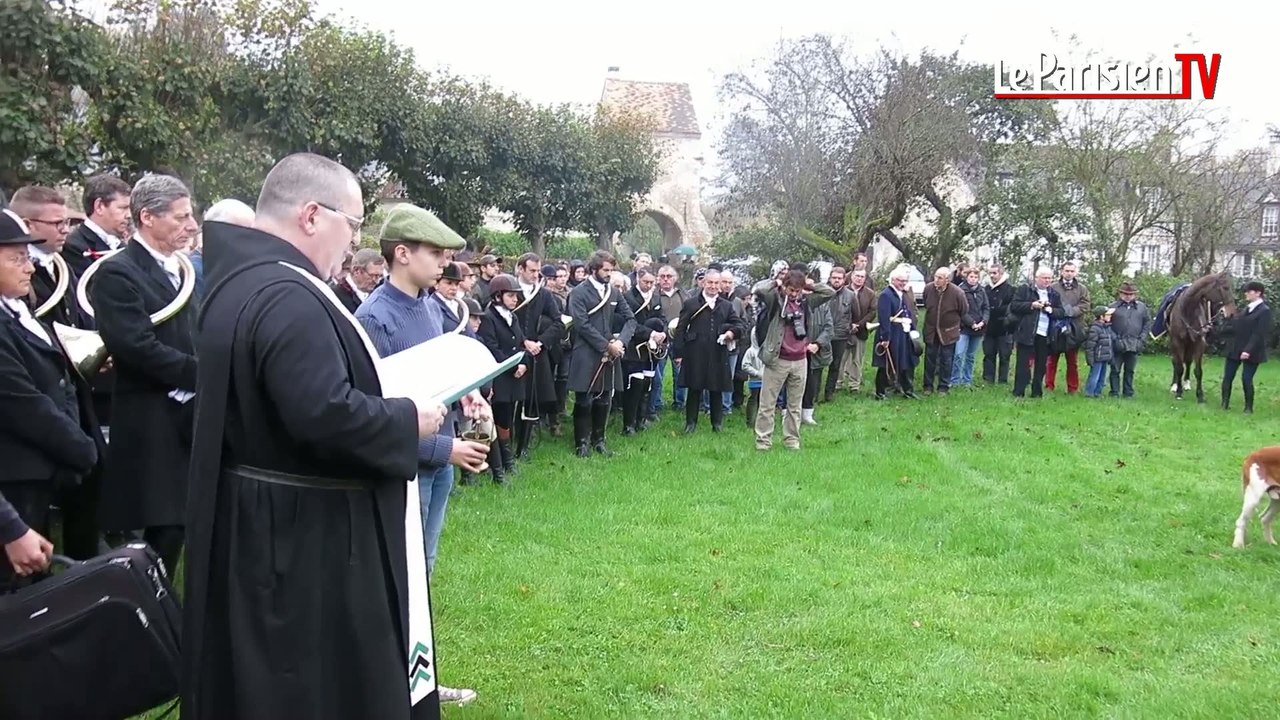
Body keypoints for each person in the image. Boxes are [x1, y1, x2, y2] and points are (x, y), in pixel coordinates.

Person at [182, 153, 449, 719]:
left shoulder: (243, 281)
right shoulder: (288, 294)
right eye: (352, 225)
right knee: (309, 684)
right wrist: (408, 419)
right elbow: (322, 414)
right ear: (311, 215)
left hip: (261, 517)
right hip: (301, 537)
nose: (353, 245)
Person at [88, 174, 199, 573]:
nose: (191, 226)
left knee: (182, 524)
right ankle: (143, 600)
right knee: (162, 531)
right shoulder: (117, 272)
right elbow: (134, 346)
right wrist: (199, 374)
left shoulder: (182, 268)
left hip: (187, 415)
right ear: (148, 217)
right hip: (151, 418)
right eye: (181, 217)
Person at [0, 209, 101, 590]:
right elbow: (23, 403)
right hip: (14, 478)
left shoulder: (16, 309)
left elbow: (56, 380)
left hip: (37, 475)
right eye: (17, 258)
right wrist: (81, 448)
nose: (29, 267)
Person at [751, 268, 833, 449]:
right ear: (785, 287)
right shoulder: (775, 300)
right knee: (767, 404)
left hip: (800, 359)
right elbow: (759, 290)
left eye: (797, 290)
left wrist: (811, 286)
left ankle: (792, 440)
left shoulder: (806, 301)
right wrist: (776, 283)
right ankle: (763, 441)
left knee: (795, 405)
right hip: (777, 359)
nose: (794, 294)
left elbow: (829, 293)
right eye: (791, 290)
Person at [566, 251, 635, 456]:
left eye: (611, 270)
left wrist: (620, 341)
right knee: (584, 399)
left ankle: (599, 441)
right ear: (594, 269)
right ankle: (581, 444)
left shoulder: (614, 293)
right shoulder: (578, 293)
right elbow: (581, 325)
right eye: (605, 270)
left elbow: (631, 319)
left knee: (604, 398)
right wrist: (607, 345)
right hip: (586, 351)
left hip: (611, 351)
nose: (609, 273)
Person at [675, 267, 743, 435]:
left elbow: (740, 325)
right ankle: (690, 424)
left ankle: (717, 424)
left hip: (717, 352)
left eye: (716, 283)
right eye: (710, 282)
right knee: (694, 388)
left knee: (716, 388)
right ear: (703, 283)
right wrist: (679, 353)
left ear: (720, 285)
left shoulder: (726, 306)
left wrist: (731, 333)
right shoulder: (691, 303)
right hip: (695, 351)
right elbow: (680, 329)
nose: (713, 286)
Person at [1007, 267, 1065, 399]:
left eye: (1049, 278)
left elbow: (1061, 312)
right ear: (1036, 278)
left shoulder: (1054, 294)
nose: (1047, 281)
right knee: (1023, 364)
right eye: (1044, 278)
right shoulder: (1025, 289)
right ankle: (1019, 392)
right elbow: (1014, 306)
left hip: (1045, 334)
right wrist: (1032, 305)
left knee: (1041, 365)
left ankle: (1037, 393)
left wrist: (1050, 310)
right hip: (1026, 331)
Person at [1221, 280, 1271, 414]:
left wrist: (1248, 350)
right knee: (1228, 376)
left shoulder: (1264, 311)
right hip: (1236, 348)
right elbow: (1236, 327)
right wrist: (1225, 320)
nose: (1246, 294)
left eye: (1249, 291)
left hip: (1252, 350)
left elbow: (1259, 333)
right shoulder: (1247, 309)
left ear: (1258, 293)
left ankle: (1248, 408)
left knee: (1246, 379)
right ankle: (1224, 404)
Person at [1082, 306, 1116, 398]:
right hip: (1097, 358)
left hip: (1105, 357)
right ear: (1101, 316)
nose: (1110, 316)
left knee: (1102, 377)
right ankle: (1089, 393)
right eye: (1108, 314)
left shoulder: (1107, 327)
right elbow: (1090, 346)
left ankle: (1097, 393)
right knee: (1094, 376)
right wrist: (1090, 359)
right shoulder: (1095, 329)